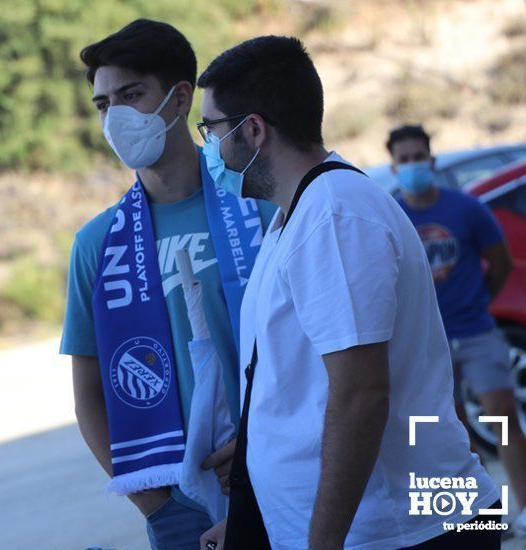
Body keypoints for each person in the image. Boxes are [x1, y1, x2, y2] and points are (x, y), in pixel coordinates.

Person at [197, 37, 502, 549]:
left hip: (403, 532)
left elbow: (361, 395)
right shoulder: (296, 216)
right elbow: (293, 386)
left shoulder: (334, 216)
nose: (209, 148)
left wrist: (322, 543)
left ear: (253, 130)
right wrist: (257, 519)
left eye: (212, 131)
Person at [60, 19, 274, 549]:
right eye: (103, 104)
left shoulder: (261, 206)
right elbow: (89, 394)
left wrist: (261, 447)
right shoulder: (97, 244)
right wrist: (157, 503)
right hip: (179, 509)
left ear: (180, 99)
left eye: (131, 95)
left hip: (278, 473)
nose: (116, 117)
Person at [389, 124, 526, 536]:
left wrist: (478, 301)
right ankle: (482, 517)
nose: (413, 166)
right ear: (394, 167)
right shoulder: (392, 215)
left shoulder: (466, 209)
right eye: (404, 159)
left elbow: (499, 261)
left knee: (502, 418)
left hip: (476, 332)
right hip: (428, 345)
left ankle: (523, 508)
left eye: (419, 157)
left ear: (431, 161)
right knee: (449, 432)